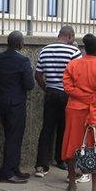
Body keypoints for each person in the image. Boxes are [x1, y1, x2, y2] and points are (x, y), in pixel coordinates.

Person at [62, 34, 96, 191]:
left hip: (75, 110)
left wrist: (83, 96)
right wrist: (92, 114)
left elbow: (67, 87)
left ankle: (72, 183)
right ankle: (95, 187)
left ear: (84, 49)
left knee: (73, 145)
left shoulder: (73, 64)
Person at [33, 26, 82, 177]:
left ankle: (41, 166)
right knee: (65, 129)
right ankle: (61, 160)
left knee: (47, 128)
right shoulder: (74, 52)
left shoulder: (45, 50)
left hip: (51, 93)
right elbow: (79, 75)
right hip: (68, 95)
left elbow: (38, 74)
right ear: (70, 36)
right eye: (73, 37)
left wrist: (47, 88)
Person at [0, 31, 34, 186]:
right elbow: (29, 85)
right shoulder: (23, 60)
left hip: (2, 102)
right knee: (13, 138)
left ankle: (14, 168)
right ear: (20, 44)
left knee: (11, 137)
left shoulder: (0, 58)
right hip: (16, 104)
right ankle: (7, 173)